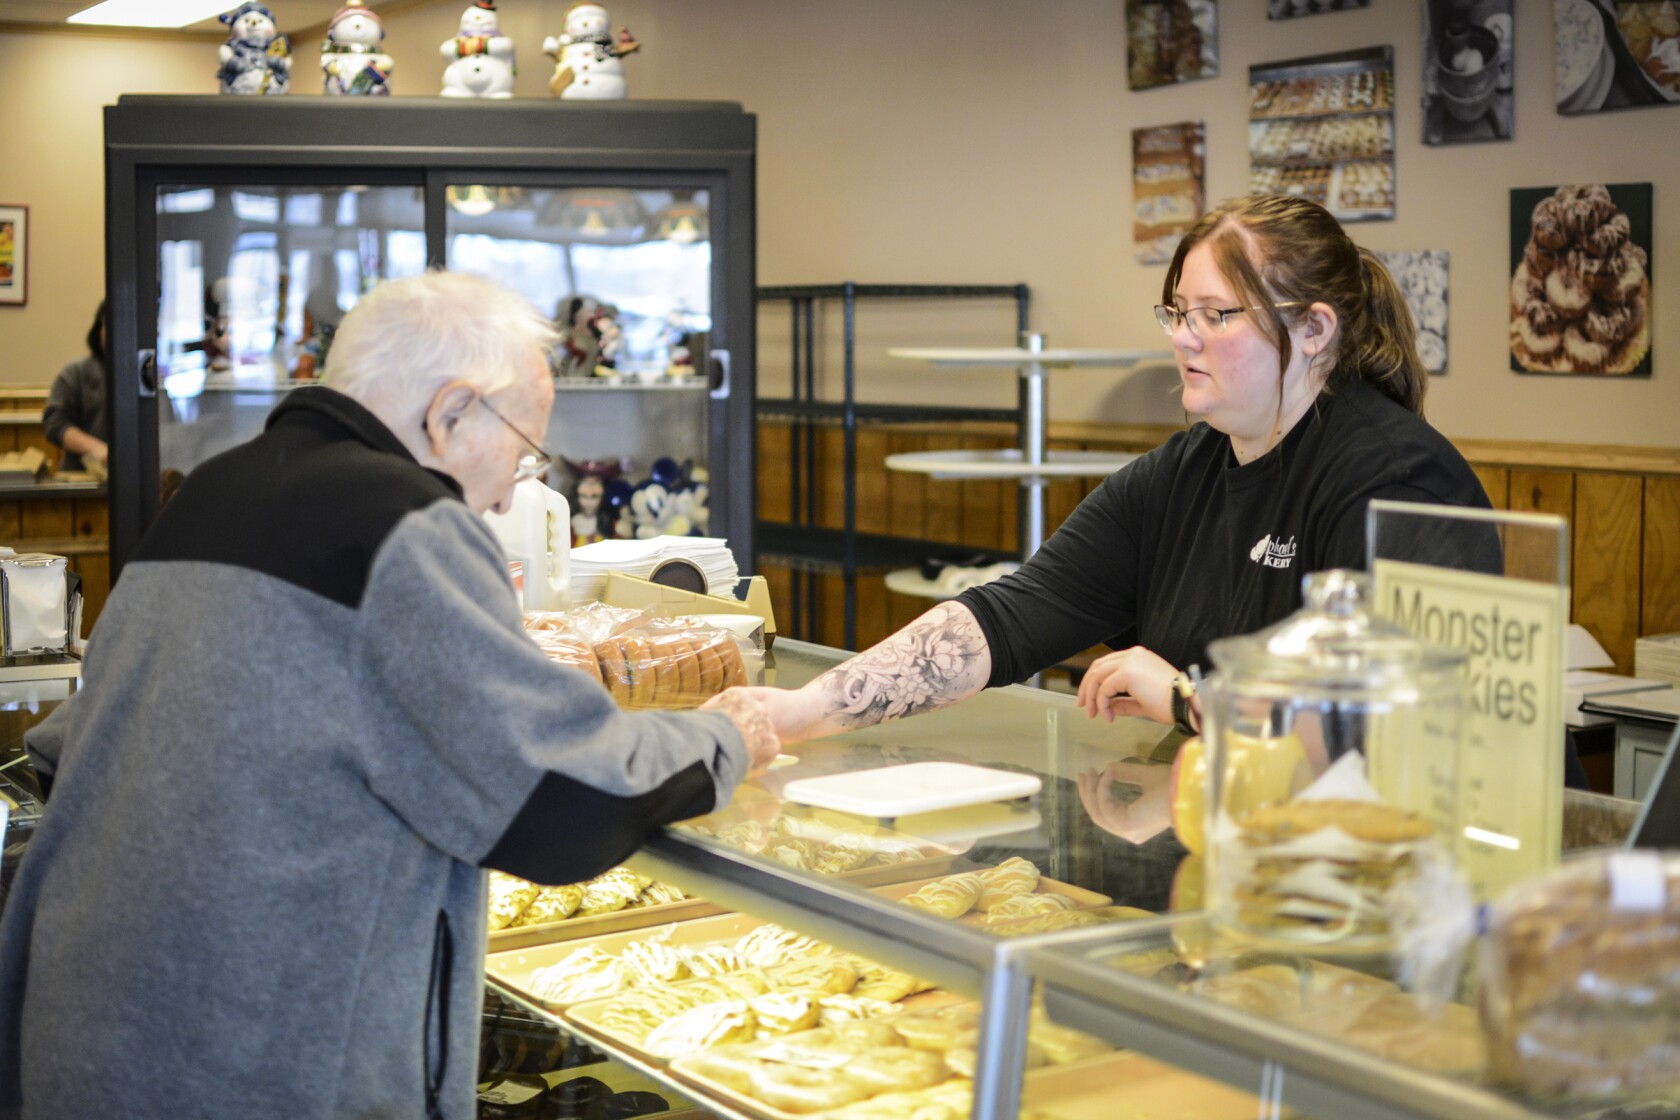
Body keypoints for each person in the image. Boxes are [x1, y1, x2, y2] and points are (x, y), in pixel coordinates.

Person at [0, 270, 778, 1120]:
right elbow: (560, 799)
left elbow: (68, 745)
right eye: (521, 452)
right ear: (449, 414)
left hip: (88, 1043)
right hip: (250, 1073)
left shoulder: (213, 493)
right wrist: (722, 737)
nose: (510, 493)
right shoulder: (402, 524)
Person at [742, 194, 1492, 756]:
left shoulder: (1396, 479)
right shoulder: (1183, 471)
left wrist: (1186, 700)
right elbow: (1005, 618)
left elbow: (1389, 730)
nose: (1183, 339)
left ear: (1315, 329)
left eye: (1216, 315)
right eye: (1177, 313)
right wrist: (794, 714)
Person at [41, 300, 110, 472]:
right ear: (99, 328)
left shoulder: (144, 375)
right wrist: (95, 448)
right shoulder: (75, 372)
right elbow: (54, 423)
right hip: (83, 479)